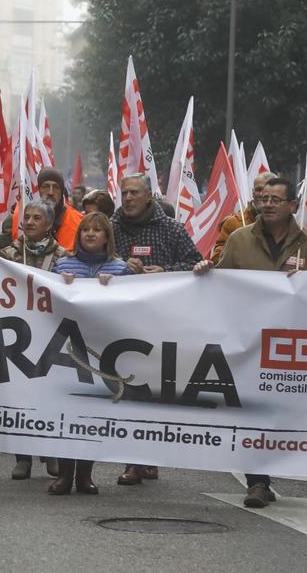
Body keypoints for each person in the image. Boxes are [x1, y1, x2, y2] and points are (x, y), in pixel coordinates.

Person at [194, 177, 307, 507]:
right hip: (247, 340)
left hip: (288, 343)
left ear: (293, 206)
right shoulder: (239, 239)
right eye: (263, 199)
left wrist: (306, 286)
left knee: (279, 411)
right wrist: (206, 271)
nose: (267, 204)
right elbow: (221, 285)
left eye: (275, 200)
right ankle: (258, 480)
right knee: (251, 409)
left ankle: (270, 468)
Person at [107, 174, 202, 485]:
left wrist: (165, 272)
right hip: (123, 324)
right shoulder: (111, 227)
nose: (128, 198)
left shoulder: (171, 229)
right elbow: (95, 261)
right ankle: (133, 461)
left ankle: (150, 456)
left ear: (148, 196)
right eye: (124, 193)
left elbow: (194, 264)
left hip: (164, 323)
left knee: (157, 393)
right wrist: (120, 265)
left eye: (134, 192)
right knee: (131, 390)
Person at [48, 212, 132, 495]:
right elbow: (46, 301)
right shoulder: (63, 264)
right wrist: (60, 283)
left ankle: (85, 474)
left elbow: (134, 307)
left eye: (98, 230)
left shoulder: (120, 269)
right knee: (66, 411)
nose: (91, 234)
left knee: (92, 414)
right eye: (86, 230)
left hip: (101, 350)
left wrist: (116, 290)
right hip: (67, 346)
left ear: (107, 237)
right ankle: (64, 474)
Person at [0, 199, 67, 481]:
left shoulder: (64, 257)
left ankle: (49, 452)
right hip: (16, 335)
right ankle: (22, 457)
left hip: (50, 336)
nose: (31, 222)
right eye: (27, 217)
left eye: (38, 218)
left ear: (49, 224)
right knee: (19, 396)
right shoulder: (6, 255)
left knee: (49, 396)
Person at [0, 167, 83, 251]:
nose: (51, 192)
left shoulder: (78, 222)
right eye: (45, 186)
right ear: (37, 190)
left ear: (62, 192)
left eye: (56, 187)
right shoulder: (17, 217)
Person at [211, 172, 276, 262]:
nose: (262, 194)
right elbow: (216, 260)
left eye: (268, 190)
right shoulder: (234, 223)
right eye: (258, 189)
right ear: (253, 193)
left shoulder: (288, 225)